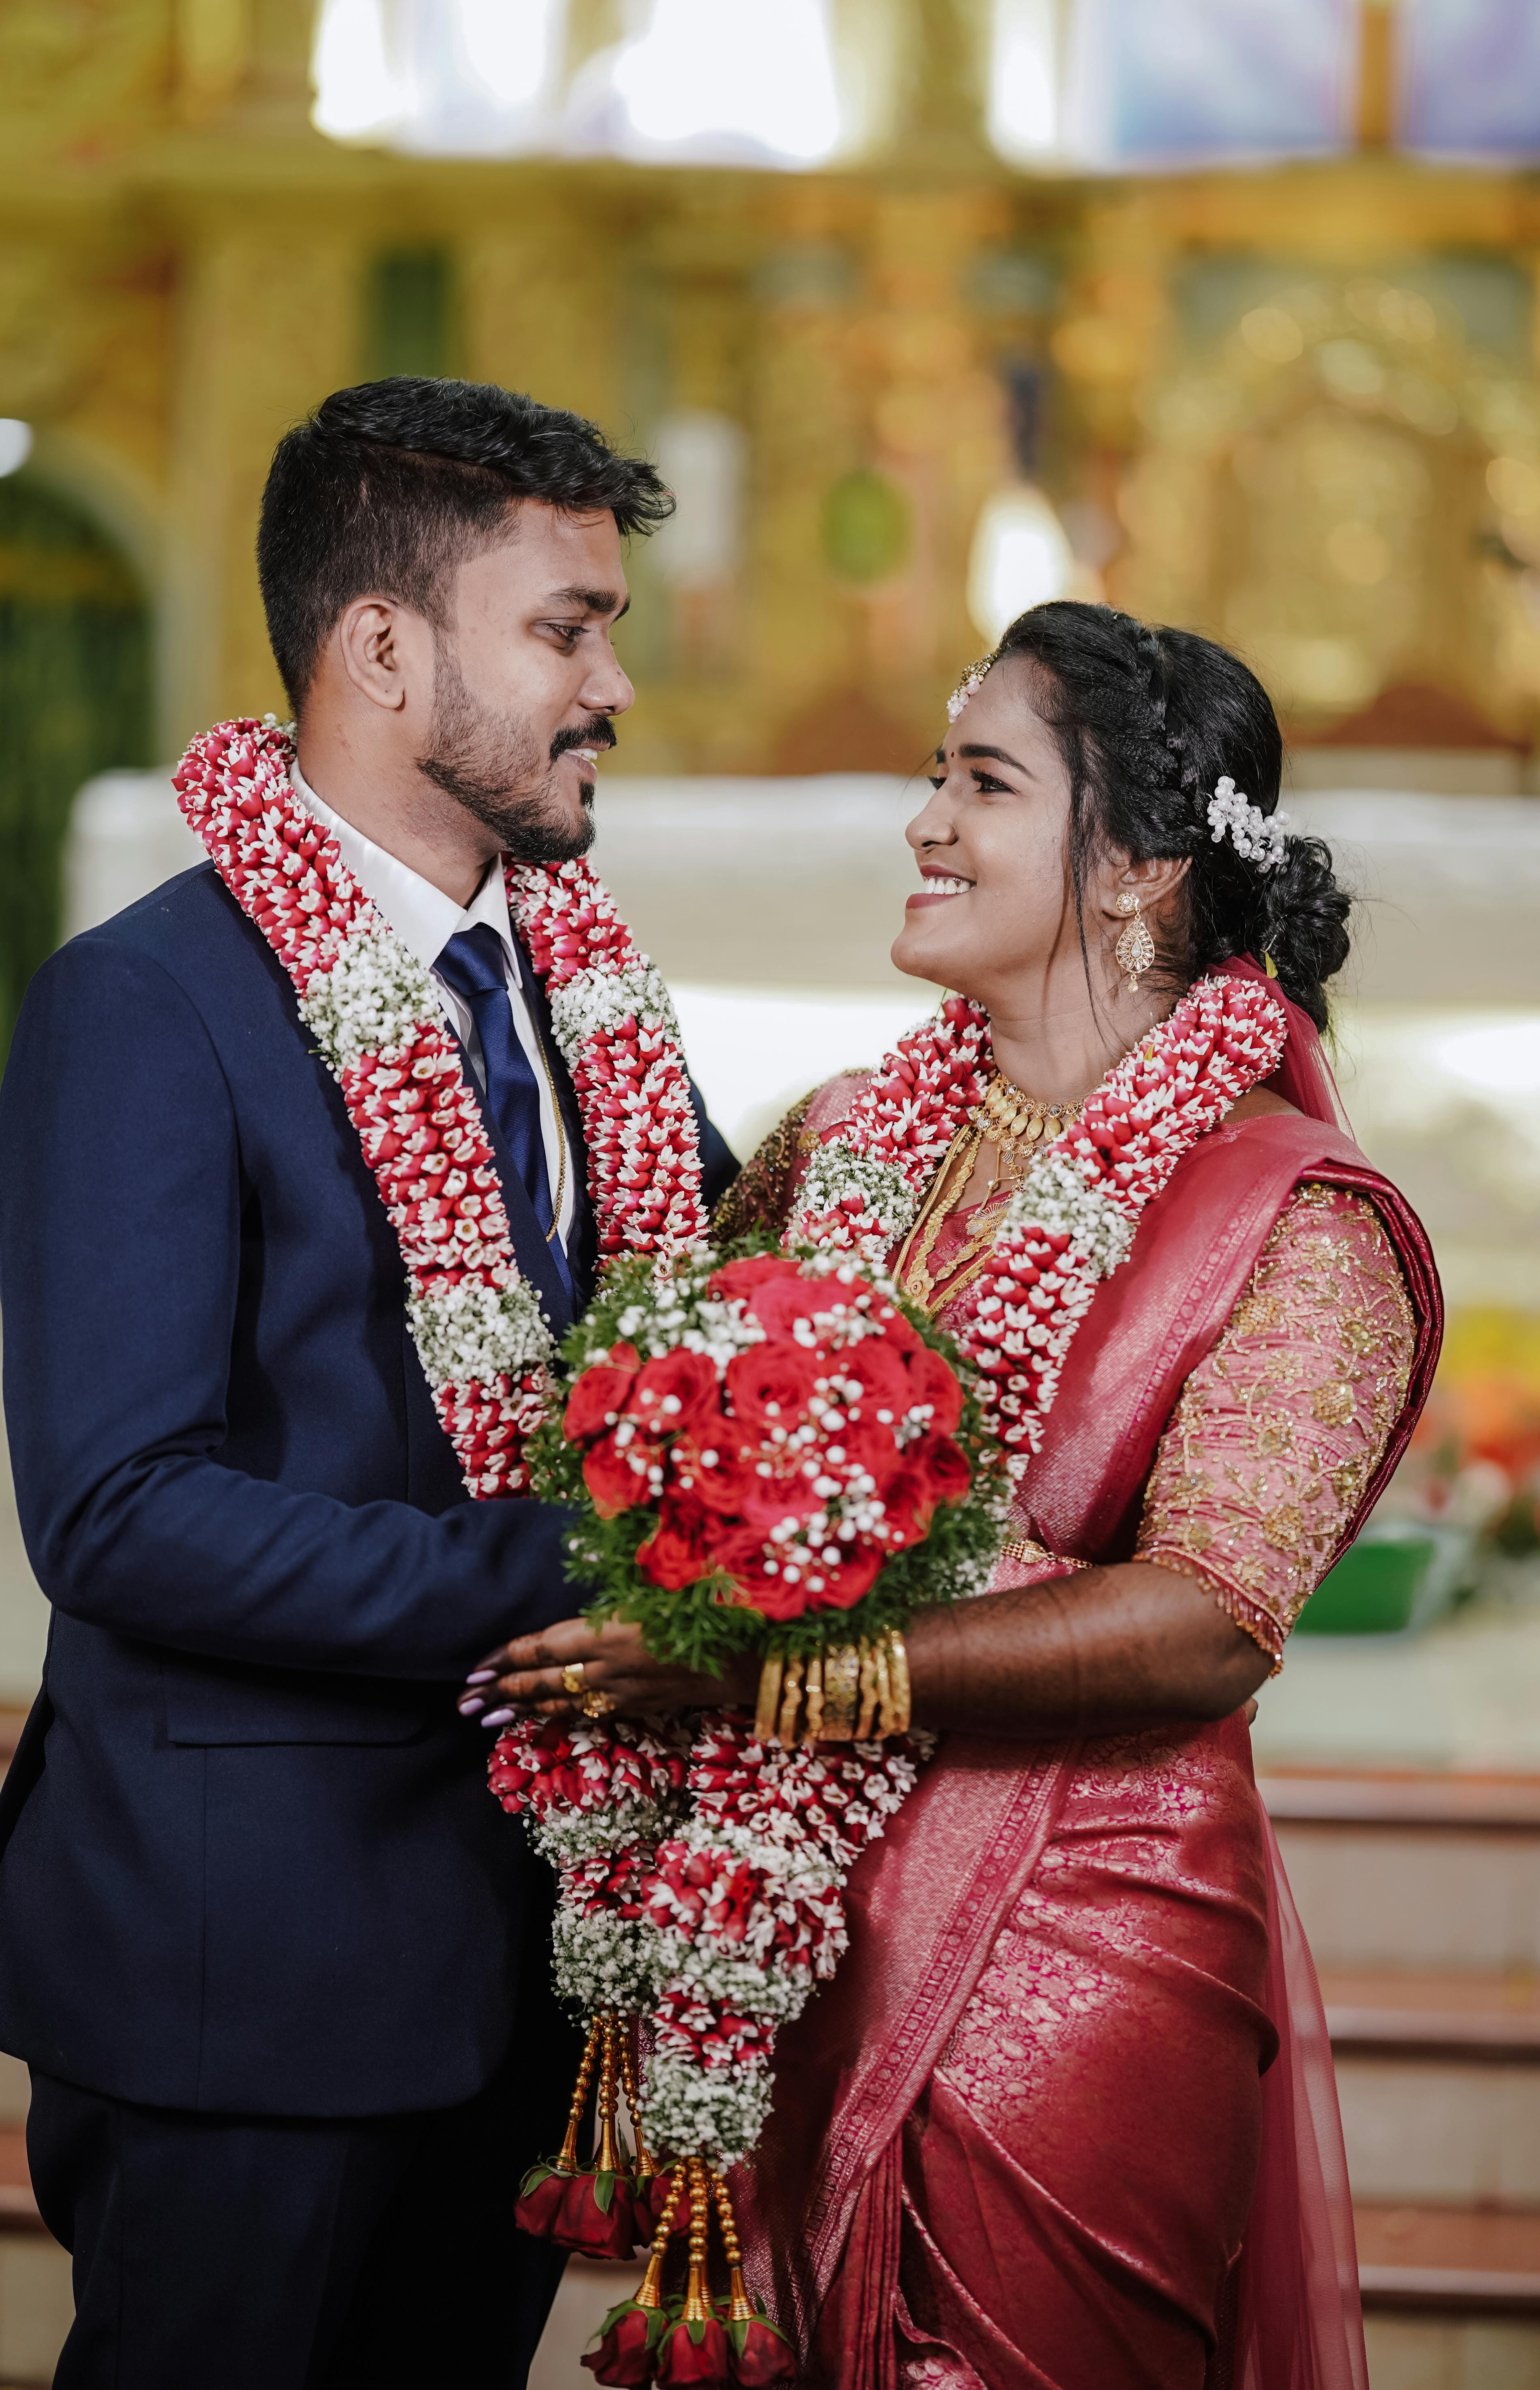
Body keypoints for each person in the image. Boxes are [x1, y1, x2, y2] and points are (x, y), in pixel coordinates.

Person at [468, 603, 1442, 2389]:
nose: (923, 822)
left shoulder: (1296, 1223)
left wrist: (772, 1676)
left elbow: (1209, 1621)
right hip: (780, 1917)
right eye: (935, 774)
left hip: (1083, 1932)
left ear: (1141, 867)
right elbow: (650, 1410)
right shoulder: (842, 1142)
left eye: (981, 783)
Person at [0, 376, 737, 2390]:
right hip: (253, 1960)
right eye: (566, 626)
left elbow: (718, 1332)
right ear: (383, 649)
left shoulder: (587, 1007)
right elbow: (118, 1514)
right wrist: (588, 1569)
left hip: (527, 1955)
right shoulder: (147, 1003)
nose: (613, 686)